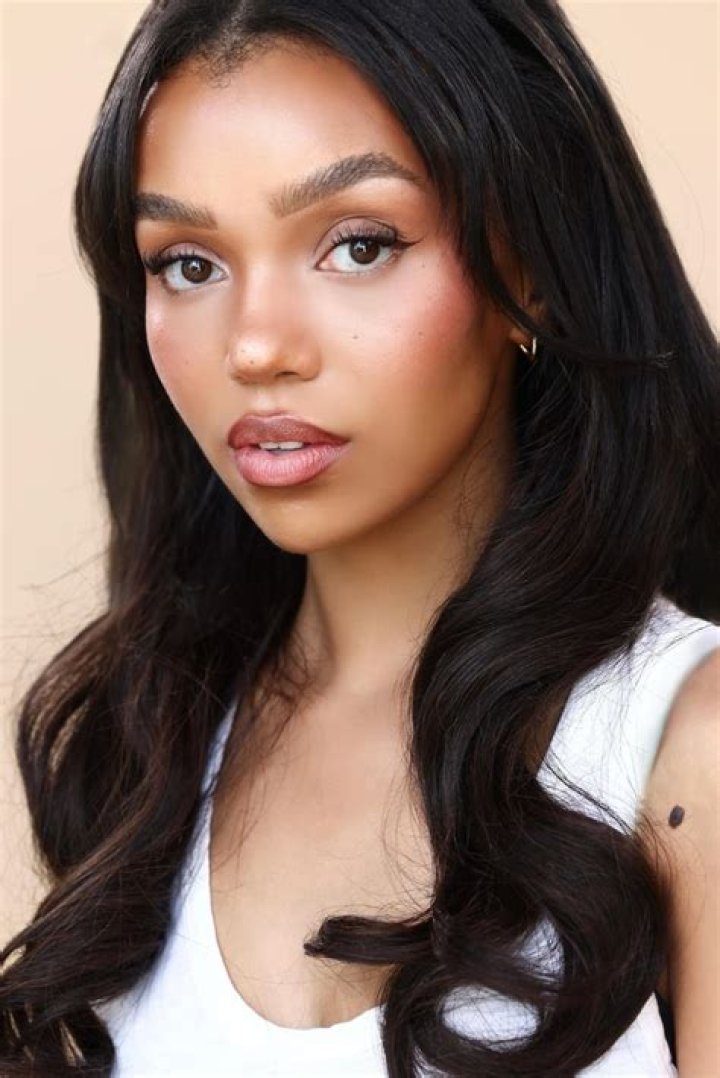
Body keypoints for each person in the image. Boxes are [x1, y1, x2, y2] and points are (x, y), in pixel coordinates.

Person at [1, 0, 718, 1074]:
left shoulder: (685, 751)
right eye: (189, 263)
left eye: (358, 244)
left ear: (528, 263)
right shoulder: (149, 739)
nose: (255, 347)